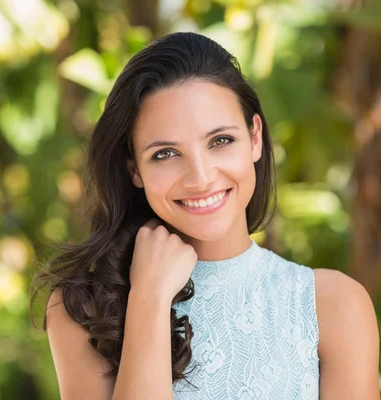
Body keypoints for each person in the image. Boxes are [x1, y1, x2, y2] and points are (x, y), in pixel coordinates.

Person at [29, 32, 380, 399]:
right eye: (165, 153)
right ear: (134, 169)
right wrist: (149, 297)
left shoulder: (332, 304)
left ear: (255, 137)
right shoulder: (84, 308)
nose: (200, 178)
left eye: (220, 141)